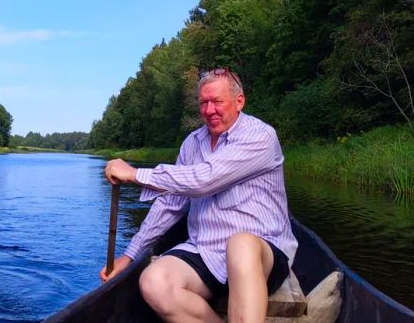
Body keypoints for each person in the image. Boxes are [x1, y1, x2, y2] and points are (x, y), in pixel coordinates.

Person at [101, 68, 297, 323]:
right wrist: (129, 256)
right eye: (203, 102)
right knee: (153, 282)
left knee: (240, 245)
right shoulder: (192, 143)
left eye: (217, 101)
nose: (209, 110)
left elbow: (204, 180)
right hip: (206, 251)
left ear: (239, 101)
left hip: (261, 257)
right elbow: (170, 203)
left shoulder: (260, 136)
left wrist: (135, 174)